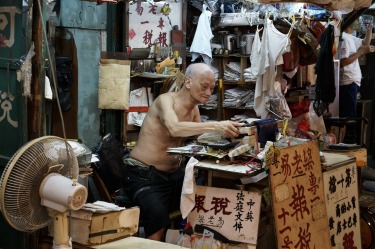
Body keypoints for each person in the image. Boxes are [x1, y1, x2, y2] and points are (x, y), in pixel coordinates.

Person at [121, 63, 243, 241]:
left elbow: (201, 137)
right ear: (188, 82)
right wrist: (217, 125)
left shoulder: (193, 109)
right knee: (158, 216)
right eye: (204, 87)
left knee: (200, 203)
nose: (209, 93)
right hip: (143, 175)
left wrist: (235, 138)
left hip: (172, 176)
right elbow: (174, 128)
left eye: (211, 88)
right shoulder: (165, 101)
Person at [339, 20, 373, 143]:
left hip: (352, 82)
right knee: (347, 117)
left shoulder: (350, 37)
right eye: (355, 19)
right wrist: (360, 52)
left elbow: (365, 43)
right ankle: (346, 143)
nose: (357, 22)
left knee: (350, 115)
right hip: (348, 82)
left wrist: (369, 29)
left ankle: (347, 142)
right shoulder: (343, 38)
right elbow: (343, 62)